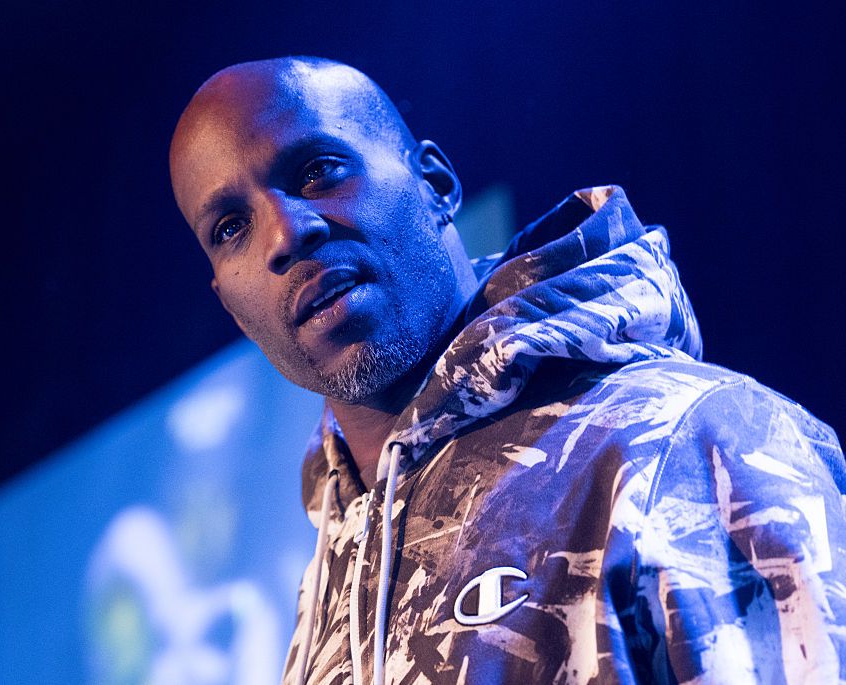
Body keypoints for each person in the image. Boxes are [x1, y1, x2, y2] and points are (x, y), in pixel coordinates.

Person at [169, 56, 846, 685]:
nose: (285, 237)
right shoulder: (328, 579)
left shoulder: (691, 437)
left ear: (435, 184)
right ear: (229, 304)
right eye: (230, 227)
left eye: (317, 172)